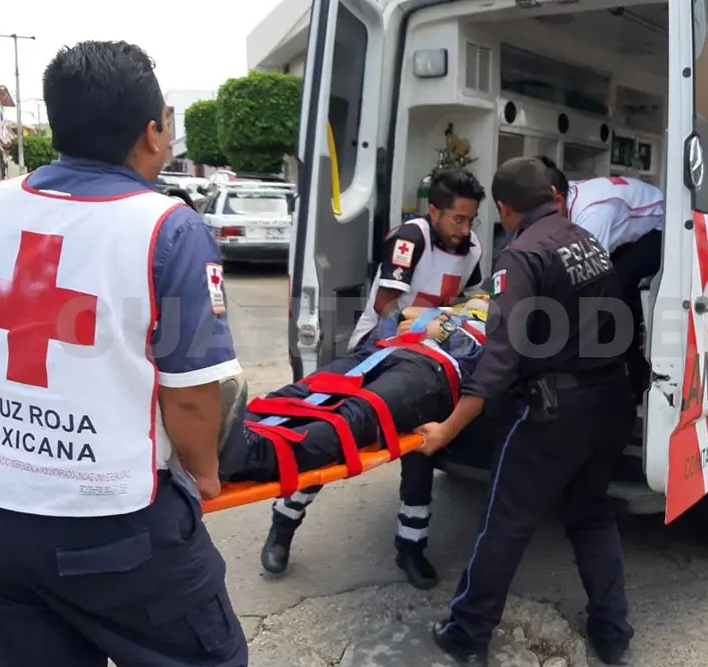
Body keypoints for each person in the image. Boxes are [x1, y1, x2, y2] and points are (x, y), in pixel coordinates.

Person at [0, 41, 248, 666]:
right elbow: (192, 394)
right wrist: (204, 475)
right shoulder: (167, 227)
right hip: (115, 528)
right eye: (167, 119)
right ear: (150, 133)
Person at [415, 157, 637, 666]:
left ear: (504, 208)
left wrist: (448, 429)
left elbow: (500, 358)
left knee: (506, 521)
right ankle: (613, 632)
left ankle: (467, 633)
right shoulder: (588, 243)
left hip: (558, 410)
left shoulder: (521, 256)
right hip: (612, 400)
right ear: (554, 197)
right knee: (591, 515)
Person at [260, 168, 489, 587]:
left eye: (471, 219)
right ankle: (284, 524)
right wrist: (420, 326)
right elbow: (387, 307)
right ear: (434, 211)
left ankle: (410, 545)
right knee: (339, 432)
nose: (465, 229)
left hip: (431, 352)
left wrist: (453, 323)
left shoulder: (470, 246)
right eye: (458, 219)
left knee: (420, 447)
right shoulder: (411, 239)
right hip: (382, 345)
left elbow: (466, 299)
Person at [218, 302, 491, 483]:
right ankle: (226, 428)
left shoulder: (504, 323)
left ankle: (254, 454)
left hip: (433, 369)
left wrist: (443, 330)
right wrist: (407, 316)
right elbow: (393, 318)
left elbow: (493, 362)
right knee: (306, 390)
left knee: (359, 413)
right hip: (384, 350)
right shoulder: (452, 309)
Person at [538, 156, 664, 401]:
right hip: (629, 231)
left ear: (557, 198)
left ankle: (632, 379)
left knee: (614, 287)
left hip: (661, 225)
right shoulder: (566, 195)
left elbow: (588, 273)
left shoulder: (592, 213)